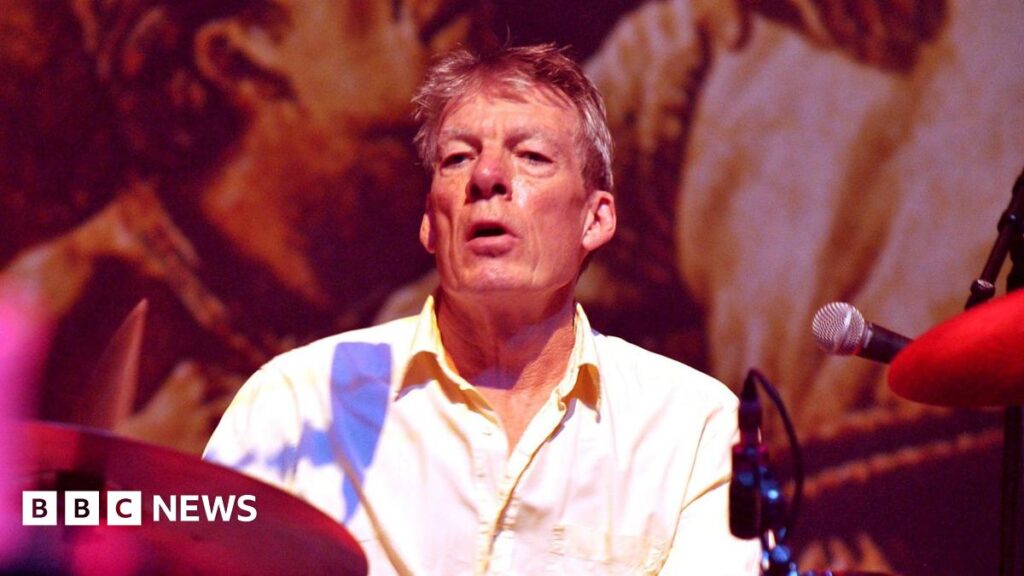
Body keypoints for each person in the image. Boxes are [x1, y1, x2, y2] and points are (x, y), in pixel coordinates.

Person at [204, 44, 759, 575]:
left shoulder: (693, 427)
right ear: (430, 221)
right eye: (458, 158)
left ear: (596, 220)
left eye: (532, 156)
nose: (486, 177)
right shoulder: (295, 404)